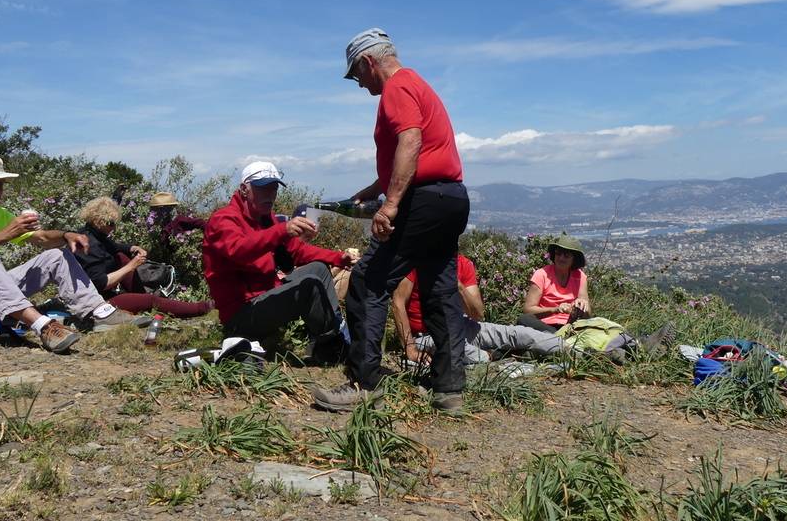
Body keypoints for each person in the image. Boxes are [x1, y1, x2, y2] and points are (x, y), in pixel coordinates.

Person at [313, 28, 470, 413]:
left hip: (421, 200)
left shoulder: (397, 88)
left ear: (369, 61)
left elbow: (411, 142)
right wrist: (376, 188)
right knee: (440, 287)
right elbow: (423, 151)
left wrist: (391, 203)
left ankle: (365, 384)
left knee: (368, 282)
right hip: (450, 198)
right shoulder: (419, 83)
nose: (358, 83)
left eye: (356, 74)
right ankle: (449, 390)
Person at [0, 156, 147, 354]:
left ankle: (99, 312)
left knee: (56, 255)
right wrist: (5, 234)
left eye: (1, 182)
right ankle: (43, 326)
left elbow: (41, 238)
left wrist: (66, 235)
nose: (0, 188)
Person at [202, 161, 354, 362]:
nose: (270, 195)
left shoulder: (265, 218)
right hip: (241, 313)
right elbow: (238, 250)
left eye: (273, 189)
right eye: (262, 189)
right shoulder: (224, 220)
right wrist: (281, 230)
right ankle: (330, 349)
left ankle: (332, 336)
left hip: (266, 298)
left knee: (318, 269)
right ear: (244, 190)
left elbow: (297, 252)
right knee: (309, 287)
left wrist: (338, 258)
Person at [394, 254, 568, 365]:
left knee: (516, 333)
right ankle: (497, 356)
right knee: (462, 350)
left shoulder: (463, 264)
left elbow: (477, 314)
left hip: (462, 325)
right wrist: (410, 348)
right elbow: (398, 303)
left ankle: (572, 350)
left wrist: (459, 287)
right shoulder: (416, 263)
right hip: (426, 335)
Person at [74, 196, 214, 318]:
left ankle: (140, 296)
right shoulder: (88, 245)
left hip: (102, 292)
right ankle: (201, 308)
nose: (114, 228)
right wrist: (131, 266)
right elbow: (101, 283)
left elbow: (114, 247)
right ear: (99, 221)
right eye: (111, 224)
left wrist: (133, 248)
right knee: (151, 301)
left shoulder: (94, 234)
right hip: (97, 302)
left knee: (120, 256)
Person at [518, 234, 591, 333]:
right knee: (524, 320)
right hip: (545, 325)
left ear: (574, 259)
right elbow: (528, 310)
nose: (561, 258)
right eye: (558, 254)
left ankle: (558, 338)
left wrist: (582, 307)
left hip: (571, 325)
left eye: (566, 255)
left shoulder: (580, 276)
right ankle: (559, 337)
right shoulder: (541, 275)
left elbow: (588, 314)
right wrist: (555, 309)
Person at [147, 192, 206, 265]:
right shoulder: (157, 225)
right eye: (155, 209)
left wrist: (201, 241)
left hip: (180, 261)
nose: (157, 212)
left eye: (159, 209)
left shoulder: (179, 220)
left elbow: (201, 223)